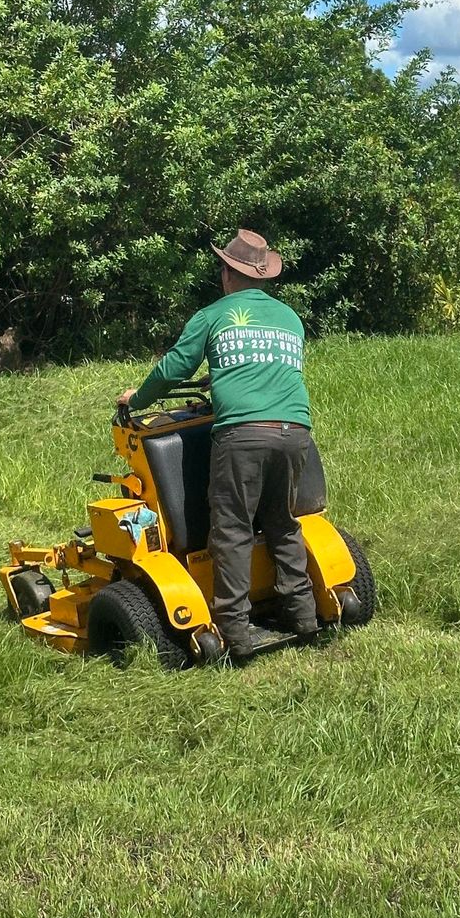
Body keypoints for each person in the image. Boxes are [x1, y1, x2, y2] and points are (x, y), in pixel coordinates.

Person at [117, 229, 317, 659]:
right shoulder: (289, 318)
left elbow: (174, 368)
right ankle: (303, 617)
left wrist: (138, 399)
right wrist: (221, 374)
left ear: (227, 274)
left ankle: (235, 634)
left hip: (243, 434)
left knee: (231, 530)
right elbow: (264, 366)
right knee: (282, 522)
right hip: (295, 432)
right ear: (262, 276)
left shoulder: (213, 315)